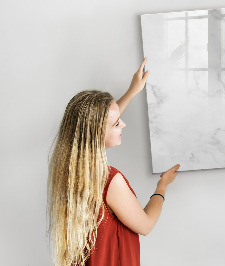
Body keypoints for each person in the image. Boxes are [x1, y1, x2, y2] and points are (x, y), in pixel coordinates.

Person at [47, 58, 180, 266]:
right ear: (98, 133)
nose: (124, 125)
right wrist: (161, 186)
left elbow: (102, 121)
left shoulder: (70, 170)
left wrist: (132, 91)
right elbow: (145, 225)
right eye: (117, 124)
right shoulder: (110, 181)